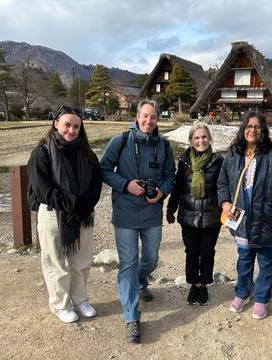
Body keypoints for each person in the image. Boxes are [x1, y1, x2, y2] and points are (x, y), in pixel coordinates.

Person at [100, 99, 175, 343]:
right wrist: (125, 185)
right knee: (128, 263)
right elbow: (103, 170)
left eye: (153, 117)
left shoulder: (163, 145)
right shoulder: (120, 141)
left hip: (152, 212)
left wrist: (162, 192)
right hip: (125, 213)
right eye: (145, 116)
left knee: (151, 258)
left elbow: (170, 175)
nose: (148, 121)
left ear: (157, 120)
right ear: (137, 116)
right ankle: (132, 318)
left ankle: (141, 281)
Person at [27, 105, 102, 323]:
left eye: (76, 126)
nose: (71, 130)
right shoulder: (41, 153)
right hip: (53, 214)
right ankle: (60, 304)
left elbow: (96, 182)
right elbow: (43, 189)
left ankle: (80, 300)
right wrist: (72, 205)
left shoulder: (87, 153)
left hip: (83, 214)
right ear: (56, 124)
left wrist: (83, 206)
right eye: (67, 125)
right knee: (55, 262)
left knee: (82, 260)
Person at [217, 111, 272, 320]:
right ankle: (243, 293)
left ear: (263, 130)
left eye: (257, 127)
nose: (252, 130)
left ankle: (261, 298)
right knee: (244, 260)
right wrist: (224, 202)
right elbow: (222, 181)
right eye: (249, 126)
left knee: (267, 261)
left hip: (267, 218)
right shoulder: (233, 154)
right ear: (243, 129)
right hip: (241, 218)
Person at [166, 123, 223, 306]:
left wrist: (228, 211)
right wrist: (170, 209)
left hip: (211, 215)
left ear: (209, 138)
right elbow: (178, 187)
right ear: (191, 140)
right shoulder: (184, 161)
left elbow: (224, 189)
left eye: (204, 137)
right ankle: (193, 284)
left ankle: (204, 284)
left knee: (207, 252)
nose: (201, 141)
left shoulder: (218, 161)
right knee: (191, 252)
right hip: (188, 214)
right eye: (197, 138)